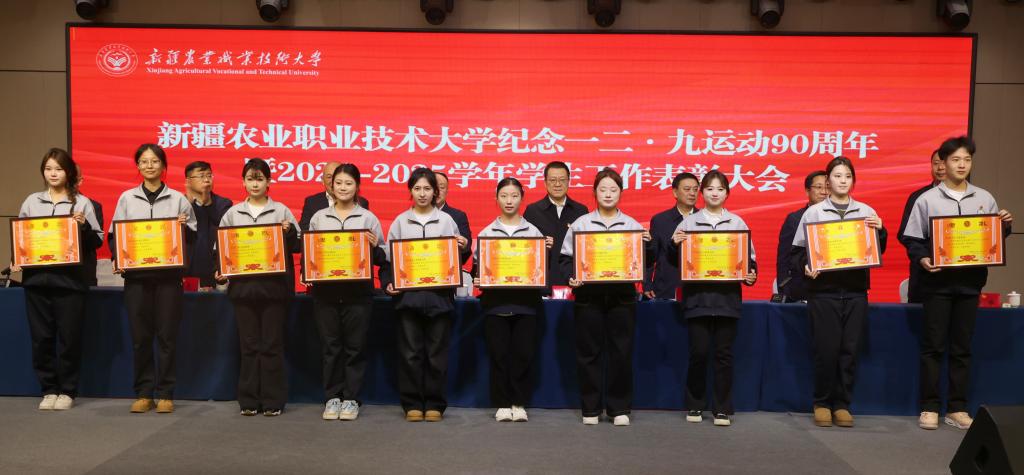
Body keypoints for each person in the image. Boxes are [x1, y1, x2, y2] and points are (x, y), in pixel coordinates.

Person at [901, 136, 1012, 431]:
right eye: (955, 160)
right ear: (944, 163)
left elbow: (991, 239)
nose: (962, 165)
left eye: (967, 160)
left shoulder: (984, 198)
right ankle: (929, 407)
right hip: (937, 284)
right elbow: (912, 239)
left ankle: (957, 408)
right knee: (933, 347)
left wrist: (1004, 226)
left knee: (962, 348)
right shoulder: (927, 199)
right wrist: (923, 258)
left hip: (970, 283)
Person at [789, 157, 887, 428]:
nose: (842, 181)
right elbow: (797, 253)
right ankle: (822, 403)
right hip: (823, 293)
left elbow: (877, 249)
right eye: (837, 176)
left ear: (853, 181)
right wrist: (806, 265)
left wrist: (881, 231)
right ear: (828, 181)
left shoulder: (866, 211)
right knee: (826, 350)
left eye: (847, 176)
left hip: (855, 291)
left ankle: (842, 404)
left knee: (850, 350)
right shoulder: (814, 213)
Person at [560, 168, 654, 426]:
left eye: (613, 190)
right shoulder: (581, 224)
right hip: (588, 296)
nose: (608, 194)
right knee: (588, 353)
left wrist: (648, 244)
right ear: (595, 193)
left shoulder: (632, 225)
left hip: (622, 296)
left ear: (621, 193)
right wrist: (571, 277)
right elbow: (565, 259)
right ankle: (590, 408)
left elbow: (646, 261)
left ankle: (618, 408)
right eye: (603, 189)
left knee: (620, 352)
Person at [108, 144, 197, 414]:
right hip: (137, 279)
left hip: (168, 279)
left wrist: (182, 227)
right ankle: (144, 393)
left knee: (167, 337)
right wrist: (119, 259)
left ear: (163, 166)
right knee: (141, 338)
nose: (149, 166)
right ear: (138, 166)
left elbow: (192, 237)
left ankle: (166, 393)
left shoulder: (178, 199)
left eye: (155, 161)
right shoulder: (126, 198)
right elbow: (115, 235)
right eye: (144, 161)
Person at [13, 148, 103, 411]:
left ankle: (67, 391)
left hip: (70, 283)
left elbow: (96, 241)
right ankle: (49, 389)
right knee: (41, 338)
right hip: (37, 281)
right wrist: (18, 257)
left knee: (69, 338)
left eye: (59, 169)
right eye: (48, 169)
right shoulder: (32, 201)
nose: (53, 174)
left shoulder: (82, 203)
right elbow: (22, 236)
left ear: (69, 173)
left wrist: (83, 226)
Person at [380, 168, 468, 422]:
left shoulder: (446, 221)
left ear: (435, 192)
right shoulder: (400, 222)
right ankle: (412, 403)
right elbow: (388, 261)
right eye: (417, 188)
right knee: (410, 354)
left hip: (439, 297)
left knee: (436, 354)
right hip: (409, 299)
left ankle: (434, 404)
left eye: (427, 189)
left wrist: (463, 248)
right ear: (410, 191)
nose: (422, 194)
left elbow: (456, 259)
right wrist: (388, 283)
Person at [671, 169, 757, 427]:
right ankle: (695, 404)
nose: (714, 193)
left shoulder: (738, 223)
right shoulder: (688, 223)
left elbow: (749, 260)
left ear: (727, 193)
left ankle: (722, 408)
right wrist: (673, 245)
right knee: (698, 352)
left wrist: (750, 275)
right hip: (697, 298)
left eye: (720, 189)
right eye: (709, 189)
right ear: (702, 193)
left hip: (727, 299)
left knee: (723, 354)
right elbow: (673, 262)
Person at [215, 158, 300, 417]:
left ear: (268, 182)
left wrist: (288, 232)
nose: (255, 184)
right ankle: (249, 400)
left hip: (274, 290)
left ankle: (273, 401)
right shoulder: (232, 213)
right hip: (243, 290)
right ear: (243, 182)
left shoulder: (281, 211)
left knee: (272, 345)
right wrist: (220, 272)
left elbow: (298, 245)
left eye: (260, 179)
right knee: (249, 346)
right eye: (250, 179)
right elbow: (221, 248)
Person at [307, 164, 387, 421]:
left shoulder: (368, 218)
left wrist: (375, 247)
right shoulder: (319, 217)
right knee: (330, 347)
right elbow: (311, 253)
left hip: (358, 293)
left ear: (357, 187)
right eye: (339, 183)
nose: (343, 188)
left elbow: (383, 256)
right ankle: (332, 397)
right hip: (326, 293)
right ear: (331, 186)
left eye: (348, 183)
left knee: (355, 347)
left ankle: (351, 399)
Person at [473, 177, 552, 422]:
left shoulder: (534, 232)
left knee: (523, 355)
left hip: (526, 304)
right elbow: (479, 267)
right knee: (498, 356)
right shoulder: (486, 233)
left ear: (522, 199)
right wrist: (479, 278)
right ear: (496, 198)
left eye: (514, 196)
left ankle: (518, 403)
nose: (509, 200)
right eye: (504, 195)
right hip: (496, 304)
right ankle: (501, 404)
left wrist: (545, 252)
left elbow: (540, 268)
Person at [524, 162, 589, 289]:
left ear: (569, 181)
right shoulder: (532, 211)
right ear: (545, 182)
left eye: (562, 180)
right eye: (553, 180)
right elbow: (525, 249)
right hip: (542, 283)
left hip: (575, 283)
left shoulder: (581, 211)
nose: (557, 184)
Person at [897, 150, 945, 304]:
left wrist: (1002, 226)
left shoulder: (972, 196)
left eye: (945, 163)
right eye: (936, 163)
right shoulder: (918, 197)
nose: (940, 167)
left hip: (960, 280)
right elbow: (906, 235)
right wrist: (922, 256)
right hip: (924, 277)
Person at [644, 172, 700, 300]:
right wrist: (647, 284)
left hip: (697, 288)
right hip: (665, 287)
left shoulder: (704, 219)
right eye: (687, 189)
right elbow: (651, 255)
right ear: (675, 192)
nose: (692, 193)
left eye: (695, 189)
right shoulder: (660, 220)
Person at [776, 171, 828, 302]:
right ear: (807, 191)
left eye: (828, 187)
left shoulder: (840, 219)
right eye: (819, 187)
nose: (824, 192)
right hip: (803, 290)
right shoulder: (795, 219)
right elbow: (784, 258)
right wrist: (784, 287)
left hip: (833, 290)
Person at [183, 161, 231, 291]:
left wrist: (206, 203)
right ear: (188, 181)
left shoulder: (223, 204)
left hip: (215, 272)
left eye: (209, 175)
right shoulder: (180, 204)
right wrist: (190, 205)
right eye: (201, 176)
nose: (206, 179)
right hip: (186, 274)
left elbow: (222, 231)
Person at [299, 161, 370, 231]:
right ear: (322, 180)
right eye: (329, 177)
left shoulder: (364, 207)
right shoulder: (314, 208)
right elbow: (305, 233)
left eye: (348, 183)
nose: (342, 187)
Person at [434, 171, 472, 266]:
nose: (437, 191)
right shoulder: (415, 216)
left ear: (447, 191)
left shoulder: (458, 216)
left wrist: (463, 245)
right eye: (433, 187)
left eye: (441, 187)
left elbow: (467, 250)